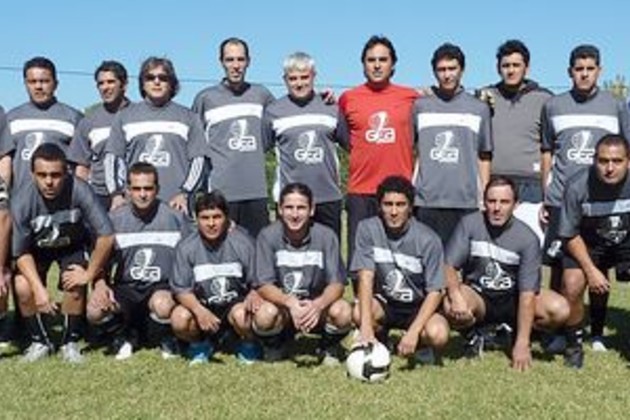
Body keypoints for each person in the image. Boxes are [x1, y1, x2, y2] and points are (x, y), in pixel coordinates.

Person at [540, 45, 630, 352]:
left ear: (599, 71)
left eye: (590, 68)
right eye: (579, 69)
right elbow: (547, 150)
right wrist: (546, 193)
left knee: (599, 262)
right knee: (560, 268)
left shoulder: (616, 105)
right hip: (562, 197)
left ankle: (596, 331)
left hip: (604, 198)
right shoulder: (553, 105)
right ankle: (557, 329)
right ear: (570, 72)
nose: (584, 74)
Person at [444, 176, 569, 371]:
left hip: (514, 299)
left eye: (504, 202)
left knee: (559, 309)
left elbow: (527, 294)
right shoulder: (469, 224)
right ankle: (473, 336)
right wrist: (455, 296)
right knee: (450, 302)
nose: (497, 208)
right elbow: (448, 266)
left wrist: (522, 343)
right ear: (484, 202)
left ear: (515, 205)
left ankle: (521, 332)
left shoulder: (527, 238)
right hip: (479, 297)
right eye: (491, 201)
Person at [11, 144, 114, 363]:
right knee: (22, 285)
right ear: (32, 174)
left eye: (56, 175)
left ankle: (70, 341)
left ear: (66, 172)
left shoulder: (80, 189)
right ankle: (40, 341)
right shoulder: (21, 200)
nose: (49, 181)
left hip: (71, 245)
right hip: (36, 249)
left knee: (74, 279)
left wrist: (90, 274)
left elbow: (106, 236)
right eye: (42, 175)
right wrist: (39, 290)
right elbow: (20, 252)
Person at [86, 162, 190, 360]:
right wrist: (99, 285)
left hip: (161, 286)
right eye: (137, 189)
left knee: (162, 304)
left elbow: (195, 249)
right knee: (94, 310)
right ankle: (122, 335)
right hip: (126, 287)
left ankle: (163, 337)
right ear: (127, 190)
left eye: (148, 188)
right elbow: (99, 260)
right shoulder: (113, 220)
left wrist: (228, 225)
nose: (143, 194)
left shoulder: (175, 218)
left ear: (157, 189)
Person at [351, 176, 449, 365]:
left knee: (438, 334)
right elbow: (365, 276)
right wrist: (365, 326)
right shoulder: (367, 229)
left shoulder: (429, 239)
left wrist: (413, 332)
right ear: (379, 206)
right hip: (385, 302)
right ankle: (379, 338)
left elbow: (436, 291)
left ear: (410, 207)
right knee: (357, 313)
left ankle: (420, 344)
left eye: (400, 205)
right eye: (388, 204)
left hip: (417, 306)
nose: (394, 212)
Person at [339, 35, 418, 262]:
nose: (376, 65)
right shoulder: (347, 99)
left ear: (393, 64)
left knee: (401, 259)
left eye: (383, 60)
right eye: (371, 60)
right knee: (360, 259)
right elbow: (345, 139)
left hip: (398, 191)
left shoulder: (412, 97)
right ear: (363, 65)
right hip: (361, 191)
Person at [253, 183, 352, 364]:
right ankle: (276, 345)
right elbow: (263, 285)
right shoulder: (267, 236)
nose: (295, 214)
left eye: (301, 208)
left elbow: (337, 284)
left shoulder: (327, 236)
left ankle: (328, 347)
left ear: (311, 210)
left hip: (316, 308)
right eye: (289, 207)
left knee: (343, 311)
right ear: (280, 210)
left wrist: (317, 305)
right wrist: (290, 302)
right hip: (284, 308)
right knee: (264, 314)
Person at [558, 134, 630, 368]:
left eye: (617, 161)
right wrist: (591, 270)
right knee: (572, 283)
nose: (610, 168)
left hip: (625, 242)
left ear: (628, 161)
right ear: (594, 161)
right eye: (603, 161)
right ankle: (573, 345)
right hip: (587, 243)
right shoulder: (577, 185)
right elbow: (569, 234)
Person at [192, 38, 274, 237]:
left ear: (248, 61)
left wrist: (322, 99)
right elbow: (194, 144)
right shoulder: (205, 98)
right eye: (230, 60)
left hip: (256, 192)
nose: (236, 65)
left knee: (257, 251)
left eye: (240, 59)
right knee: (222, 251)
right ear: (221, 62)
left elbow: (282, 123)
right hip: (221, 194)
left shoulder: (262, 95)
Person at [413, 43, 493, 246]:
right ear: (434, 72)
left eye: (452, 68)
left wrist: (484, 196)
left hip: (466, 201)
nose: (447, 75)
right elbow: (411, 151)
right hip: (427, 200)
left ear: (462, 70)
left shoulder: (479, 108)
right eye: (441, 70)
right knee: (428, 260)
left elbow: (484, 156)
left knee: (462, 261)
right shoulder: (420, 106)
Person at [104, 57, 206, 214]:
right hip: (135, 207)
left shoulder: (189, 117)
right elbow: (112, 159)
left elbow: (198, 160)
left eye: (163, 78)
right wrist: (116, 194)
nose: (156, 82)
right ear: (142, 84)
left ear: (171, 83)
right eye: (150, 77)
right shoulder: (124, 116)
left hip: (177, 206)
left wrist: (185, 193)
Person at [170, 191, 262, 365]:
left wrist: (254, 292)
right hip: (203, 305)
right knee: (179, 318)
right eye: (205, 218)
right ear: (196, 219)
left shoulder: (243, 243)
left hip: (235, 305)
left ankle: (248, 344)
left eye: (217, 217)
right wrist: (198, 310)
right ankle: (199, 345)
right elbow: (181, 290)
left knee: (242, 315)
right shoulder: (186, 247)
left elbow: (258, 280)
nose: (211, 223)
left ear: (226, 218)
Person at [476, 40, 553, 243]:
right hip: (495, 183)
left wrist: (547, 192)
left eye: (516, 65)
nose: (511, 70)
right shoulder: (484, 97)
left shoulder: (544, 99)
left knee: (530, 246)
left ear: (527, 67)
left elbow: (550, 148)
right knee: (496, 247)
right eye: (506, 65)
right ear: (498, 68)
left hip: (531, 185)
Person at [262, 52, 344, 238]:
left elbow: (351, 144)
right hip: (291, 201)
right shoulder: (273, 111)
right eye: (293, 78)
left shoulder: (331, 107)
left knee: (330, 253)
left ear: (314, 76)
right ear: (285, 80)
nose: (299, 83)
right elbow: (262, 148)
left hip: (328, 197)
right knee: (289, 253)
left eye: (304, 77)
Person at [0, 57, 83, 191]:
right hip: (19, 199)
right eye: (32, 81)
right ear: (25, 84)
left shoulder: (74, 118)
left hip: (62, 200)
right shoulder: (10, 118)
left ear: (56, 84)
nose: (38, 86)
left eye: (44, 81)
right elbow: (4, 162)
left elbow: (82, 166)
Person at [68, 60, 130, 210]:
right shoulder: (89, 121)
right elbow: (82, 167)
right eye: (101, 83)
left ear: (124, 85)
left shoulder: (138, 115)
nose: (105, 87)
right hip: (100, 197)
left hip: (135, 193)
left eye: (111, 82)